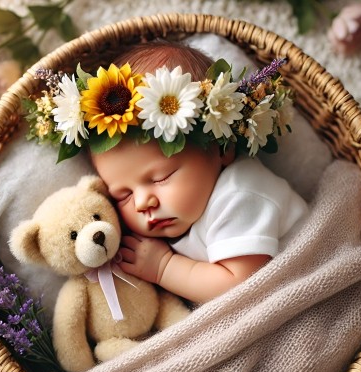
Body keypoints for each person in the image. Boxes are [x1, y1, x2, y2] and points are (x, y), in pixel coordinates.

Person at [89, 41, 309, 304]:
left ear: (221, 149)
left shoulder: (239, 194)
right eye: (123, 196)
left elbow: (243, 288)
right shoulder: (185, 212)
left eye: (161, 178)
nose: (142, 203)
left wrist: (164, 267)